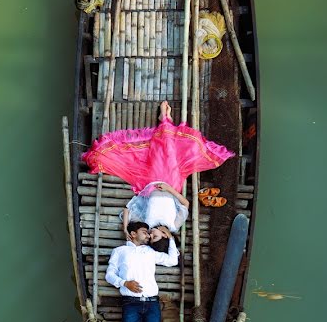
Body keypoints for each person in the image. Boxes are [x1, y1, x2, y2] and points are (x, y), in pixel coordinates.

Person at [82, 101, 234, 238]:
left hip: (150, 182)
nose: (151, 235)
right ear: (166, 237)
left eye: (150, 238)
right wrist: (170, 189)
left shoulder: (146, 223)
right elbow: (185, 204)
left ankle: (165, 121)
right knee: (170, 155)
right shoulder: (174, 226)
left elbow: (127, 211)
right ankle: (166, 121)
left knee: (156, 156)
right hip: (172, 186)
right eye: (155, 237)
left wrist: (125, 230)